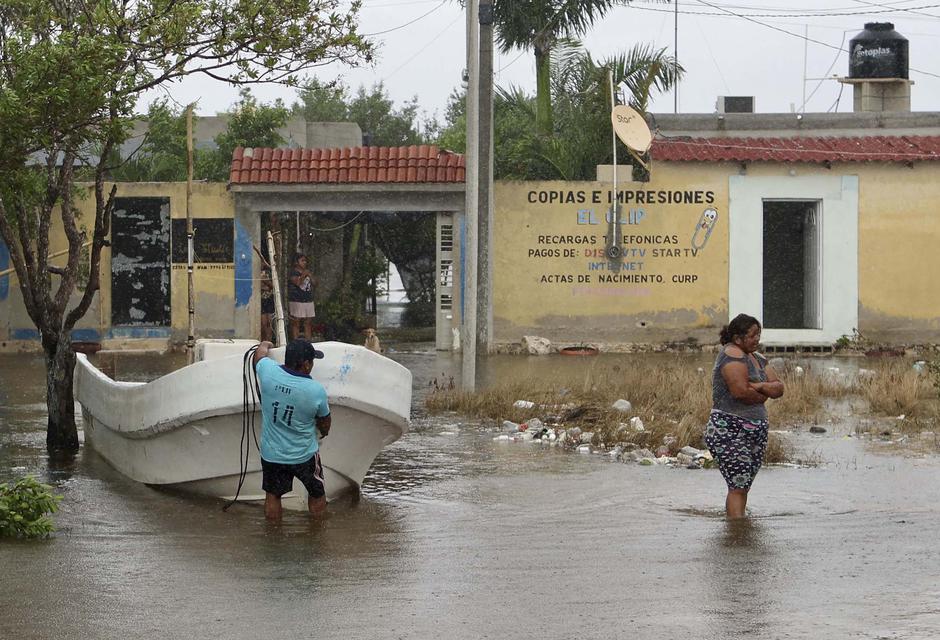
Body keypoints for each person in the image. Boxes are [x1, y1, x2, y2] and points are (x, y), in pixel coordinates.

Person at [704, 314, 784, 519]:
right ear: (738, 338)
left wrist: (760, 386)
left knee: (743, 484)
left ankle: (737, 526)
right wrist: (764, 392)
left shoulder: (757, 358)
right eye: (753, 335)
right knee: (738, 485)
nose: (757, 339)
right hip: (728, 428)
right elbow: (741, 392)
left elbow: (779, 389)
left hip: (755, 428)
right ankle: (737, 531)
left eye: (759, 334)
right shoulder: (731, 354)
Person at [252, 338, 331, 521]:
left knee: (273, 495)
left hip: (272, 455)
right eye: (311, 361)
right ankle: (317, 534)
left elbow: (259, 356)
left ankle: (273, 537)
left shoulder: (268, 372)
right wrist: (323, 433)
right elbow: (325, 422)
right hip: (304, 455)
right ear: (305, 365)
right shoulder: (315, 390)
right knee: (317, 492)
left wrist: (265, 344)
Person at [287, 253, 316, 339]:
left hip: (308, 299)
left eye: (305, 261)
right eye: (302, 261)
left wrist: (310, 275)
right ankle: (296, 341)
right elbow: (298, 283)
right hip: (297, 300)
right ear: (296, 262)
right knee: (296, 322)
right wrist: (303, 275)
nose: (305, 262)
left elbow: (315, 283)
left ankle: (308, 342)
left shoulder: (308, 272)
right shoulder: (293, 272)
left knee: (308, 322)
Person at [260, 266, 275, 343]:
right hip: (260, 300)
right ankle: (262, 341)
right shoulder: (255, 272)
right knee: (263, 324)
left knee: (269, 324)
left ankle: (269, 341)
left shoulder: (271, 272)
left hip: (269, 299)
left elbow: (274, 286)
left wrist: (266, 282)